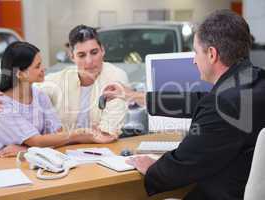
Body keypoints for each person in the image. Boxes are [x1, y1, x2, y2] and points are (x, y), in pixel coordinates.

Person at [103, 9, 265, 199]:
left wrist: (153, 167)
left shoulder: (222, 103)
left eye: (195, 52)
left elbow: (181, 167)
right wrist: (135, 96)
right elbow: (201, 100)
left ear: (212, 54)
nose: (194, 60)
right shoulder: (255, 81)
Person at [0, 25, 129, 156]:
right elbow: (17, 93)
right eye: (81, 55)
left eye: (94, 52)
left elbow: (107, 133)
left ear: (103, 50)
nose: (89, 61)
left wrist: (27, 149)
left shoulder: (116, 78)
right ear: (72, 56)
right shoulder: (54, 82)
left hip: (85, 154)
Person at [0, 42, 71, 156]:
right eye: (37, 66)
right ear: (20, 74)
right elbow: (37, 141)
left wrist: (26, 149)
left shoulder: (40, 96)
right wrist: (76, 135)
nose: (44, 68)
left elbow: (58, 136)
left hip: (19, 165)